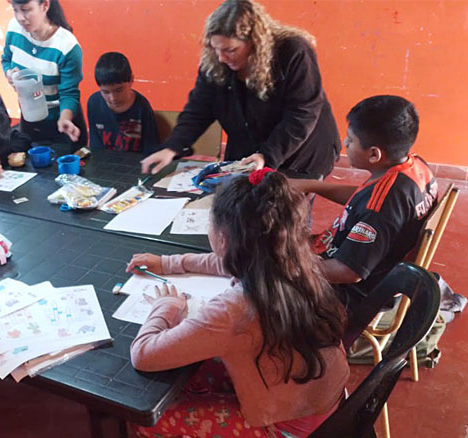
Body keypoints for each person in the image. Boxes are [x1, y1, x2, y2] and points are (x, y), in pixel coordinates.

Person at [126, 170, 349, 438]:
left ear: (223, 238)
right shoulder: (298, 263)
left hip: (284, 427)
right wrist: (168, 262)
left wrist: (166, 306)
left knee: (146, 421)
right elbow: (226, 264)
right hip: (317, 402)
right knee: (195, 372)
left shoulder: (235, 311)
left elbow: (144, 355)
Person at [140, 0, 340, 182]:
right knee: (239, 211)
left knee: (286, 215)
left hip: (301, 151)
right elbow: (198, 110)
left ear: (255, 42)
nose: (221, 58)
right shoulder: (215, 61)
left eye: (230, 50)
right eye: (215, 48)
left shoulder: (293, 51)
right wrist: (172, 147)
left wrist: (267, 156)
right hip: (250, 148)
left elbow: (302, 113)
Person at [293, 95, 438, 308]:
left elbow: (348, 272)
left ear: (374, 154)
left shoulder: (380, 207)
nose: (345, 143)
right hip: (360, 260)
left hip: (353, 294)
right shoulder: (414, 167)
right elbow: (364, 198)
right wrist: (312, 185)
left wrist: (289, 270)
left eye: (351, 140)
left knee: (257, 278)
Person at [2, 0, 87, 150]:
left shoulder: (67, 46)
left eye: (26, 9)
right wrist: (9, 73)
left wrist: (65, 118)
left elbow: (69, 93)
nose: (20, 17)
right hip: (29, 119)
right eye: (15, 10)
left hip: (60, 125)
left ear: (45, 5)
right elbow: (6, 59)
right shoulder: (14, 29)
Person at [87, 52, 160, 154]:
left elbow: (151, 149)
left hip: (135, 165)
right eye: (105, 92)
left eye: (119, 90)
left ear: (131, 80)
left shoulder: (142, 107)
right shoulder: (94, 103)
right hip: (104, 163)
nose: (113, 98)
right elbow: (95, 147)